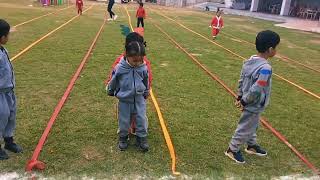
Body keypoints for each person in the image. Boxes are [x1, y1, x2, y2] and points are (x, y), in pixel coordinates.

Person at [225, 30, 280, 164]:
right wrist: (244, 100)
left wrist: (240, 95)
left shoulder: (248, 62)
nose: (276, 51)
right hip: (253, 102)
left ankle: (251, 145)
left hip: (247, 100)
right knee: (245, 126)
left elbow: (241, 80)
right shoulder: (265, 68)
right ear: (270, 49)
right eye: (276, 48)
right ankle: (232, 149)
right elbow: (257, 88)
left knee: (253, 124)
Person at [105, 29, 152, 136]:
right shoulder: (120, 63)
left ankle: (138, 127)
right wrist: (111, 87)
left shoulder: (144, 63)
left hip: (139, 94)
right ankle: (124, 129)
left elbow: (148, 77)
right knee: (124, 114)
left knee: (139, 113)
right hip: (125, 94)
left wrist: (146, 90)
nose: (137, 62)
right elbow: (114, 75)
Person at [0, 19, 23, 160]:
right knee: (1, 117)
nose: (8, 37)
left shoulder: (3, 49)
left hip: (9, 91)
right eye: (7, 35)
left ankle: (9, 141)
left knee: (10, 116)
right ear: (2, 37)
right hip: (0, 94)